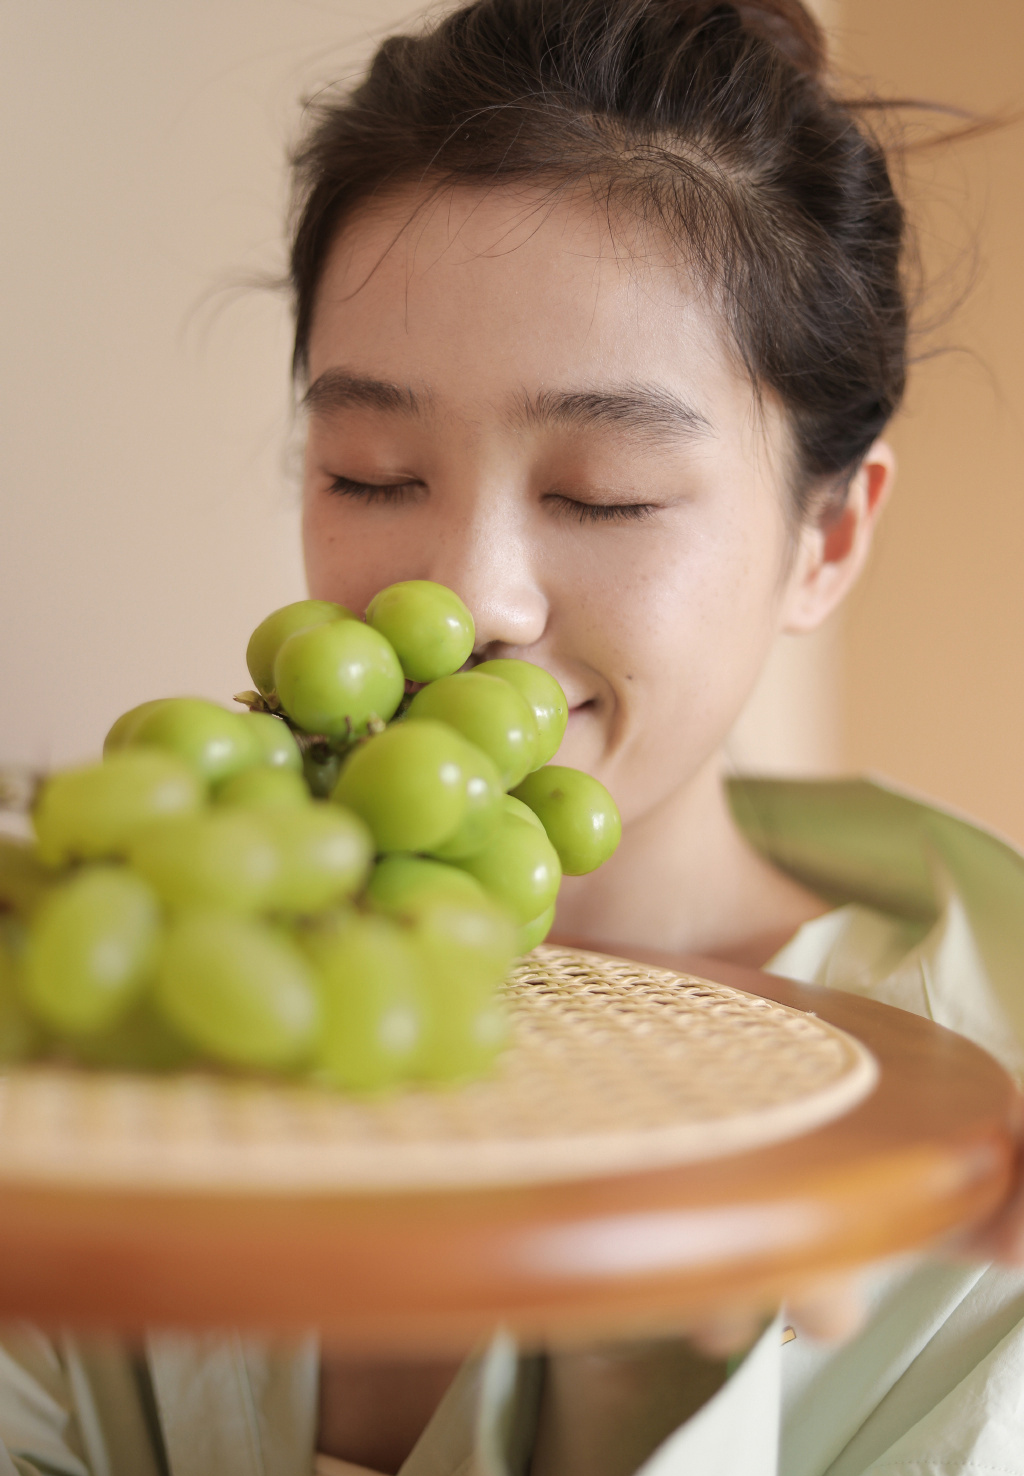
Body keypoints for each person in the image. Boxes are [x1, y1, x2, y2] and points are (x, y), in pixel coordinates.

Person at [2, 0, 1024, 1472]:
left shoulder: (957, 1157)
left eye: (602, 491)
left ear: (828, 539)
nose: (465, 596)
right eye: (369, 472)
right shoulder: (128, 978)